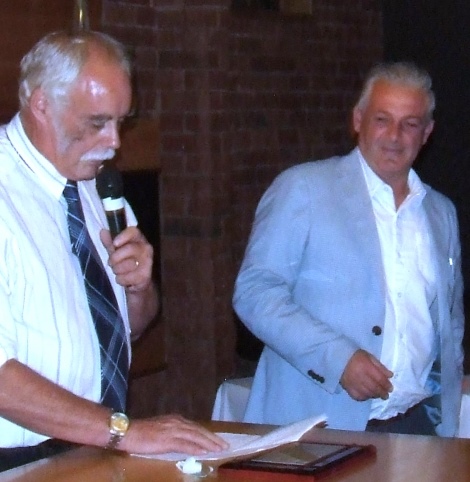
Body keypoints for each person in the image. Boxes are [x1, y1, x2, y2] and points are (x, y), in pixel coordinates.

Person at [0, 30, 226, 472]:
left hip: (91, 448)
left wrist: (139, 289)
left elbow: (130, 329)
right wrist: (126, 431)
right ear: (41, 104)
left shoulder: (98, 189)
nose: (115, 141)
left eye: (122, 121)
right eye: (97, 122)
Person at [233, 61, 464, 437]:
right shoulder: (303, 189)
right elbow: (255, 293)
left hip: (416, 429)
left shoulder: (441, 213)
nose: (394, 135)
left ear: (427, 133)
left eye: (410, 124)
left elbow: (449, 326)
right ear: (357, 120)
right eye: (382, 119)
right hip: (317, 430)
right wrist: (338, 360)